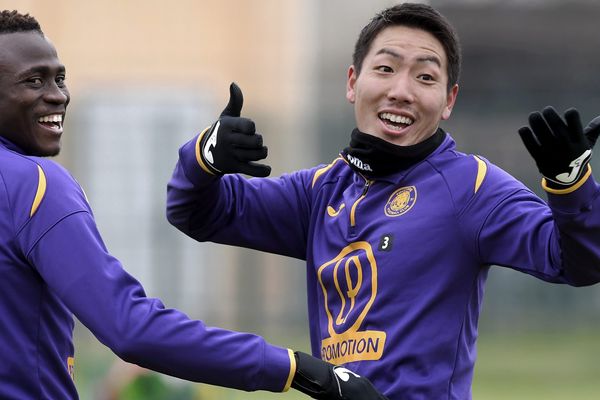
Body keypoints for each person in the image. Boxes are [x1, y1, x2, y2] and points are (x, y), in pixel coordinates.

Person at [165, 3, 600, 400]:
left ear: (448, 101)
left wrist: (569, 183)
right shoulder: (318, 192)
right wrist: (204, 157)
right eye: (386, 68)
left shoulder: (472, 187)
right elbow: (198, 212)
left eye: (426, 77)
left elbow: (577, 262)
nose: (401, 91)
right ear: (353, 83)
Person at [0, 10, 389, 400]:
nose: (58, 95)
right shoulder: (35, 186)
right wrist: (297, 369)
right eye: (34, 80)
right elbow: (129, 327)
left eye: (60, 78)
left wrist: (201, 161)